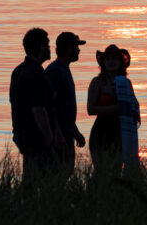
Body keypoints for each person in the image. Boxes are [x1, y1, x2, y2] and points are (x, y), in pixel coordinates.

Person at [9, 28, 64, 182]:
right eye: (47, 45)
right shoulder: (36, 75)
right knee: (53, 178)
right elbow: (39, 109)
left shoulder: (18, 71)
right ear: (41, 48)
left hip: (22, 135)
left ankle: (28, 204)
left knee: (31, 178)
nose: (49, 48)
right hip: (37, 138)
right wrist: (49, 137)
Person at [87, 44, 139, 172]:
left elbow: (133, 105)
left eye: (114, 59)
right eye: (108, 59)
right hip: (101, 131)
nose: (111, 62)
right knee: (100, 171)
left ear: (120, 62)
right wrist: (114, 108)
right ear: (103, 62)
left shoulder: (126, 83)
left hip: (120, 130)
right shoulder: (97, 82)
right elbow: (90, 109)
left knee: (116, 170)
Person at [45, 31, 87, 173]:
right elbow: (49, 106)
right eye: (76, 47)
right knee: (57, 174)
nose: (79, 50)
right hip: (59, 137)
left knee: (66, 172)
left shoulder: (64, 70)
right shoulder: (55, 72)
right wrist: (57, 133)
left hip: (66, 134)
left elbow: (65, 108)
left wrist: (75, 132)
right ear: (69, 48)